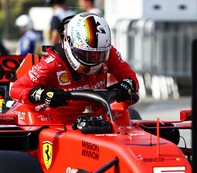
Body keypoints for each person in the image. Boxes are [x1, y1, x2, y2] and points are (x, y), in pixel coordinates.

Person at [10, 12, 139, 124]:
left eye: (99, 55)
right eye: (87, 54)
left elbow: (132, 80)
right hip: (61, 126)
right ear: (70, 43)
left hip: (101, 121)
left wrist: (126, 86)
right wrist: (43, 95)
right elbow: (16, 89)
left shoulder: (109, 54)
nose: (93, 59)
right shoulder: (52, 64)